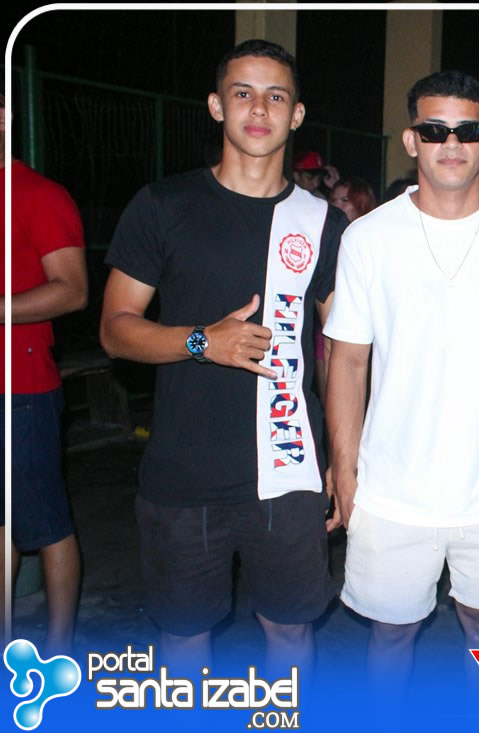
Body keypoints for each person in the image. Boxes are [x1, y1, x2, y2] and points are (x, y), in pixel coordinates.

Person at [99, 39, 346, 673]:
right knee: (184, 640)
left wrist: (343, 461)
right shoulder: (163, 205)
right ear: (216, 106)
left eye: (275, 96)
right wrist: (202, 342)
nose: (258, 108)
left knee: (290, 633)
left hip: (288, 470)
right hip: (183, 475)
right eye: (243, 93)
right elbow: (116, 329)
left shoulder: (323, 224)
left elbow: (345, 356)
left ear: (296, 115)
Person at [323, 70, 479, 694]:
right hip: (391, 492)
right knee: (390, 635)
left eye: (466, 130)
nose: (450, 143)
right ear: (411, 140)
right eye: (434, 130)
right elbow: (347, 362)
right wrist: (346, 474)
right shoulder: (368, 238)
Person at [1, 94, 88, 656]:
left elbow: (73, 290)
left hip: (23, 387)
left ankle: (60, 653)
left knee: (47, 522)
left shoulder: (38, 194)